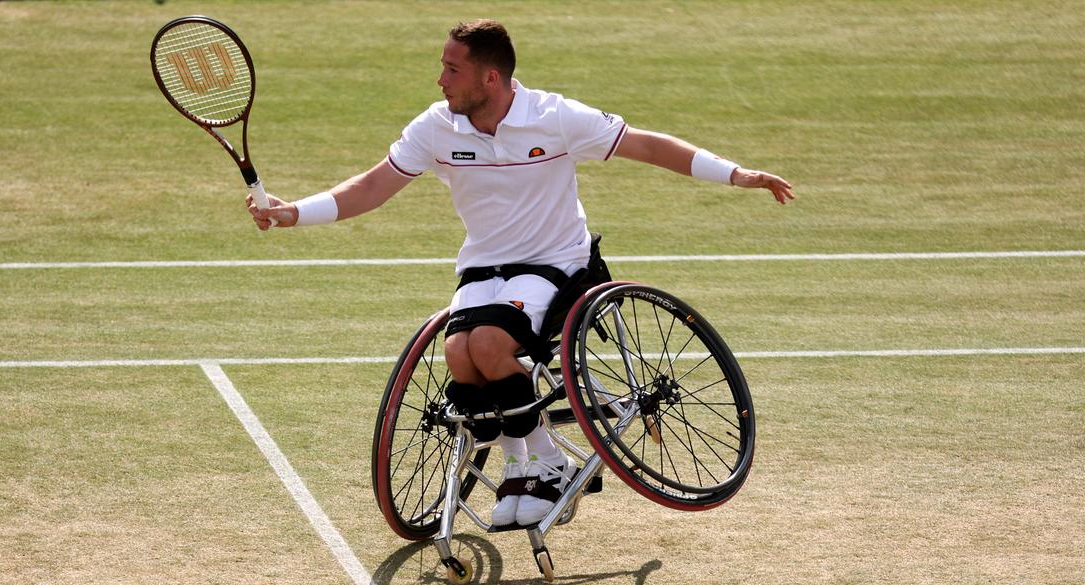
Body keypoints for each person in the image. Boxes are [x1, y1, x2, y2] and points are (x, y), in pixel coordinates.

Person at [248, 19, 794, 528]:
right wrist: (294, 211)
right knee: (459, 354)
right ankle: (519, 465)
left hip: (557, 264)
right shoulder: (436, 128)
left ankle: (551, 464)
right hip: (484, 266)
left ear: (491, 77)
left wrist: (737, 175)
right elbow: (370, 187)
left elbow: (648, 145)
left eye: (451, 69)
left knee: (487, 344)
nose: (440, 80)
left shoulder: (554, 117)